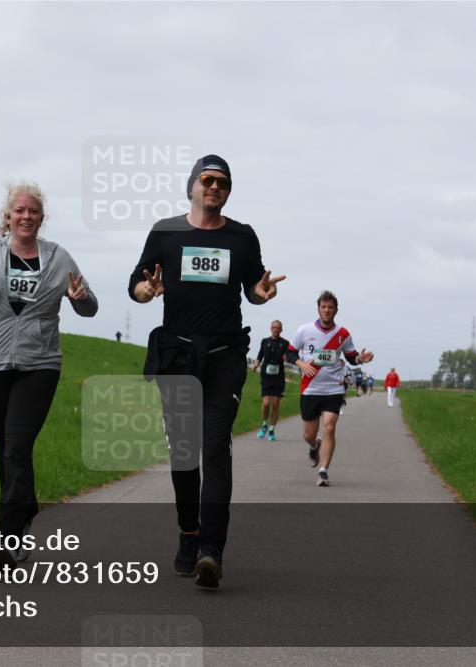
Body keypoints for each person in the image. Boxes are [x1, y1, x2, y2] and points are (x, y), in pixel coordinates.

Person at [128, 154, 284, 589]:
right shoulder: (166, 232)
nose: (215, 187)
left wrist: (261, 292)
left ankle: (212, 549)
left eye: (223, 183)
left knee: (214, 446)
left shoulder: (242, 236)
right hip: (177, 356)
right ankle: (189, 532)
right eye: (208, 180)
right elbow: (136, 286)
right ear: (192, 186)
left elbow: (253, 288)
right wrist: (147, 289)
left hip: (224, 356)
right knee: (183, 450)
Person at [0, 181, 98, 568]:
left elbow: (90, 306)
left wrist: (81, 299)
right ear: (7, 216)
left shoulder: (59, 258)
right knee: (6, 453)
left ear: (41, 219)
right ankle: (24, 510)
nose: (26, 216)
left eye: (33, 211)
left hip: (40, 364)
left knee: (16, 447)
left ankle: (9, 539)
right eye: (19, 210)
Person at [287, 291, 374, 487]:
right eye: (323, 307)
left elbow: (352, 357)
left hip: (333, 389)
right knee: (308, 434)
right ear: (318, 309)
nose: (326, 310)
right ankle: (314, 445)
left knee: (330, 427)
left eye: (330, 307)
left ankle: (323, 471)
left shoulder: (343, 334)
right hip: (310, 388)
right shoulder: (304, 330)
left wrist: (361, 359)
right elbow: (290, 353)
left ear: (336, 310)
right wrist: (301, 364)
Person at [251, 320, 289, 442]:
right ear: (270, 329)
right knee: (266, 403)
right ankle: (264, 424)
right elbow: (259, 355)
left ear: (281, 329)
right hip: (266, 375)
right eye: (273, 327)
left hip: (278, 377)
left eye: (278, 327)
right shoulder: (265, 341)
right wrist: (256, 365)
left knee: (276, 403)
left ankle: (272, 429)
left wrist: (286, 357)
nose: (275, 329)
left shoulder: (285, 343)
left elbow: (289, 357)